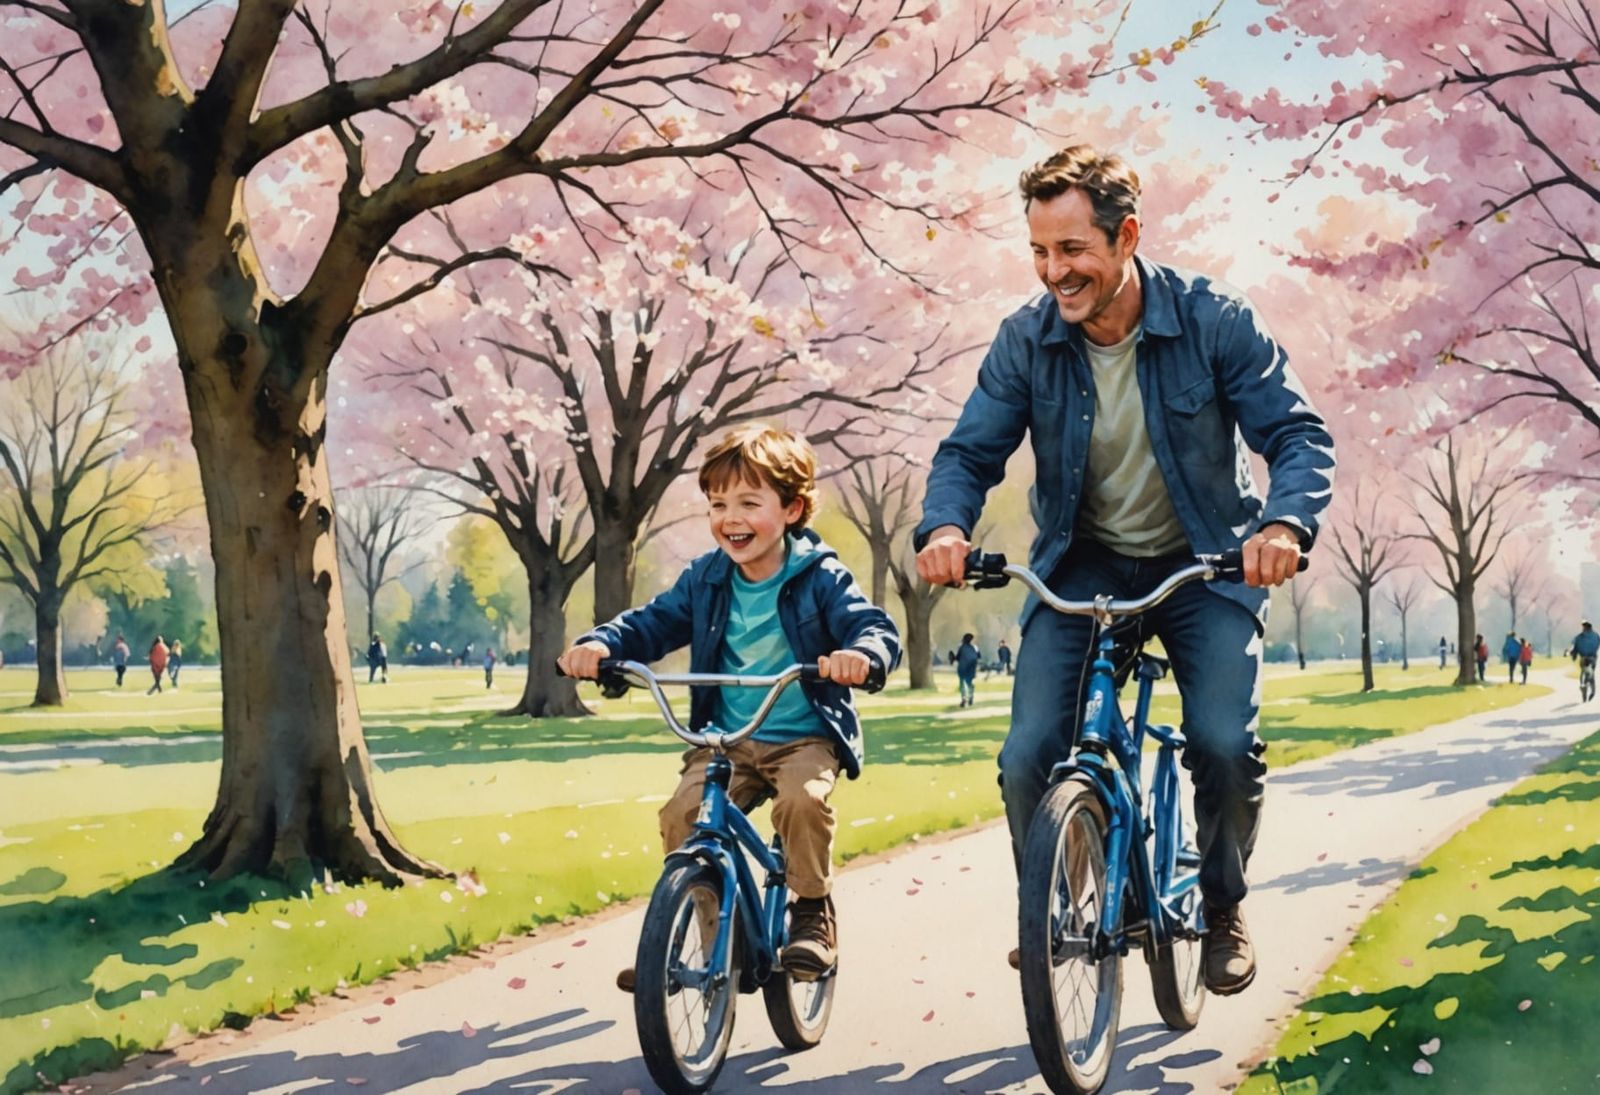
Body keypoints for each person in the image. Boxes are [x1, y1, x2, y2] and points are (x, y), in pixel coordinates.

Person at [913, 145, 1334, 996]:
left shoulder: (1213, 320)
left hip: (1207, 559)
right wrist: (946, 523)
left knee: (1220, 742)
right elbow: (968, 451)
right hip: (1082, 564)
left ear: (1127, 234)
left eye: (1072, 251)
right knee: (1029, 750)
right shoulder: (1026, 341)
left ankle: (1221, 905)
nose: (1053, 272)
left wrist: (1284, 522)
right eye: (1038, 251)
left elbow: (1295, 434)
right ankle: (1062, 907)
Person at [559, 425, 901, 990]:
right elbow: (653, 622)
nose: (730, 518)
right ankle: (712, 936)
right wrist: (603, 645)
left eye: (748, 502)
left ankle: (812, 909)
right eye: (718, 504)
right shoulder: (706, 579)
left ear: (792, 509)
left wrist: (861, 655)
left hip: (801, 735)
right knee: (681, 815)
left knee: (802, 800)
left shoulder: (820, 577)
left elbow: (872, 626)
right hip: (726, 736)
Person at [1569, 621, 1599, 698]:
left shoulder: (1578, 637)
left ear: (1585, 628)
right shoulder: (1596, 636)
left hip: (1583, 658)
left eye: (1583, 628)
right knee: (1591, 674)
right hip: (1593, 658)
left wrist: (1574, 655)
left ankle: (1583, 684)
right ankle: (1592, 691)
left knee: (1583, 670)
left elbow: (1574, 647)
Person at [954, 633, 981, 706]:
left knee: (963, 682)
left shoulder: (961, 647)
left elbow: (957, 657)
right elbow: (978, 656)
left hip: (962, 668)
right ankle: (971, 696)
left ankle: (964, 698)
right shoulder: (975, 647)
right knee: (969, 682)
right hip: (972, 668)